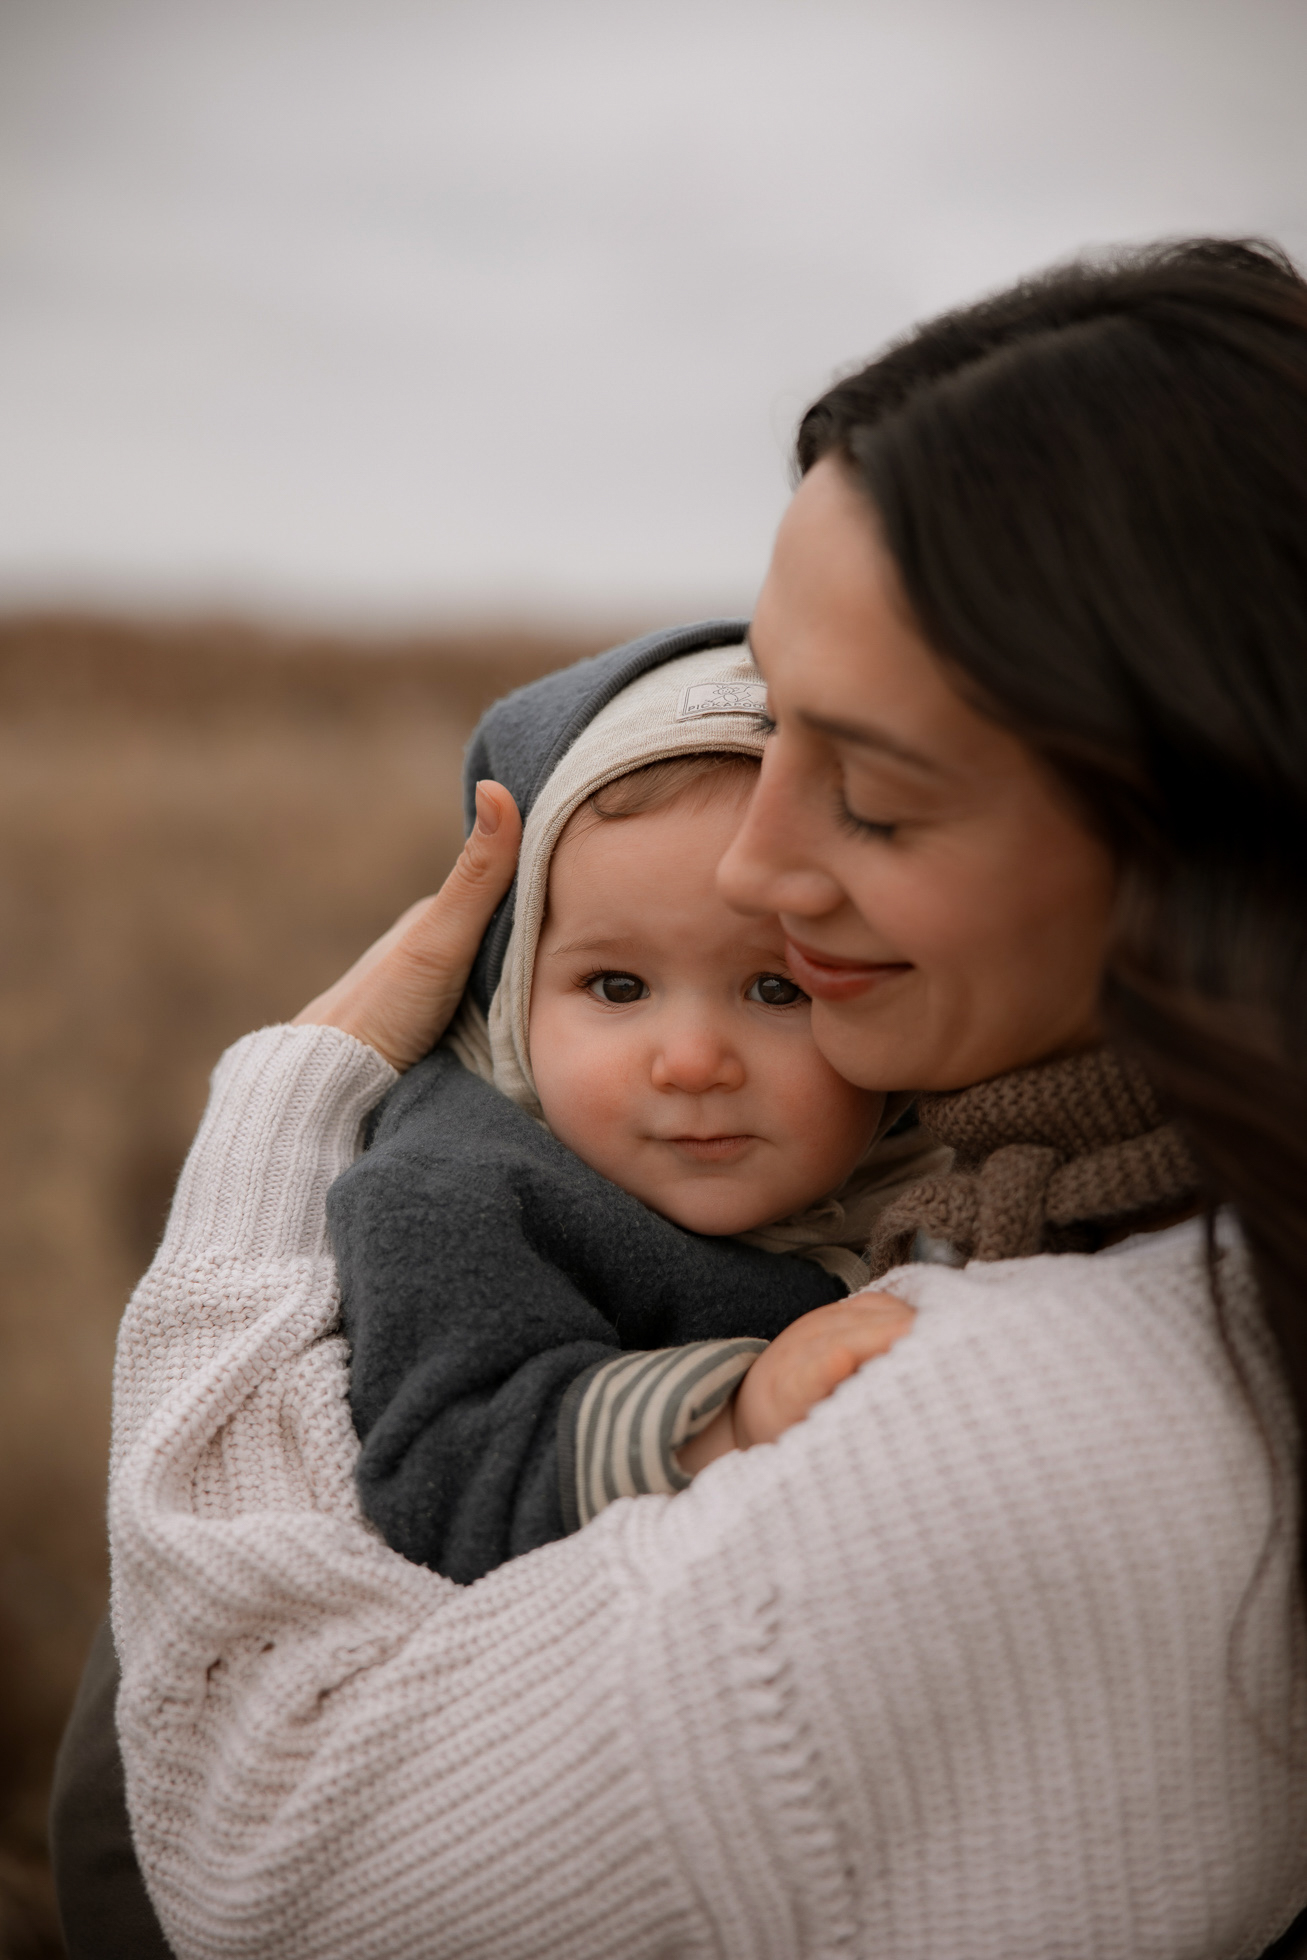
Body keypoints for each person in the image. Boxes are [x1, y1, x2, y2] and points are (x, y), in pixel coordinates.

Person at [102, 238, 1307, 1956]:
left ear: (1213, 839)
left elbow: (259, 1857)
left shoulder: (1021, 1428)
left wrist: (284, 1102)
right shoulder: (1117, 1212)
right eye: (775, 729)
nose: (757, 863)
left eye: (873, 799)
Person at [334, 640, 941, 1584]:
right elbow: (443, 1469)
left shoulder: (953, 1162)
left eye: (776, 990)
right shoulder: (460, 1191)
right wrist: (728, 1422)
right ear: (512, 992)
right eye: (618, 985)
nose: (692, 1063)